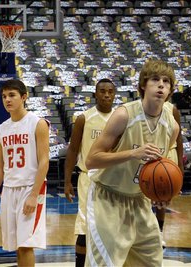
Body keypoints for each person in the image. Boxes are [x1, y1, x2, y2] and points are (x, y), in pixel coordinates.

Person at [85, 59, 180, 266]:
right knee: (106, 263)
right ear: (143, 85)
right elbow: (91, 160)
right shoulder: (124, 115)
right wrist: (133, 153)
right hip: (108, 198)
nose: (161, 85)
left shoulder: (171, 125)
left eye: (166, 81)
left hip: (139, 200)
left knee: (152, 261)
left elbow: (162, 165)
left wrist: (163, 193)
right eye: (155, 79)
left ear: (171, 90)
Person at [0, 79, 50, 266]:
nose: (7, 100)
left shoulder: (38, 123)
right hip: (9, 189)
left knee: (27, 244)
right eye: (4, 96)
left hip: (31, 188)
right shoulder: (2, 129)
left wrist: (34, 195)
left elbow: (44, 161)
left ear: (24, 97)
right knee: (17, 246)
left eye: (12, 95)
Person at [64, 78, 116, 267]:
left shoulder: (120, 118)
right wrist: (67, 180)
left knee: (112, 229)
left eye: (110, 91)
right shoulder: (84, 118)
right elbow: (72, 150)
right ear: (95, 94)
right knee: (85, 228)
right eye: (102, 91)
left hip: (113, 180)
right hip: (89, 178)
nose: (106, 95)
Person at [155, 101, 184, 248]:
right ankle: (144, 233)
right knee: (143, 197)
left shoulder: (172, 109)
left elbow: (179, 139)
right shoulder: (140, 107)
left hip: (168, 154)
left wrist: (180, 165)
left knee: (162, 198)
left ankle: (159, 233)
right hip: (149, 153)